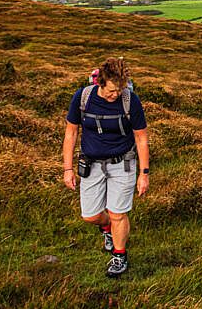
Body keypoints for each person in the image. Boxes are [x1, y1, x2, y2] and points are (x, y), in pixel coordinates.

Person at [62, 57, 150, 279]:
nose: (115, 95)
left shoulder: (131, 100)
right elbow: (71, 133)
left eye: (119, 90)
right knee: (90, 215)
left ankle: (120, 256)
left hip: (124, 164)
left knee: (118, 213)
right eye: (111, 91)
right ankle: (107, 229)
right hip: (91, 164)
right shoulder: (83, 98)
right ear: (100, 83)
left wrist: (144, 173)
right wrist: (67, 168)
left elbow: (141, 138)